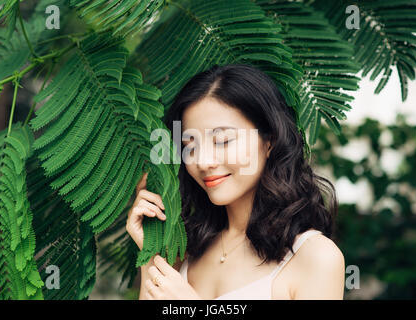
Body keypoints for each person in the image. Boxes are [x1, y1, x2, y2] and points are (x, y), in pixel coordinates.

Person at [126, 63, 345, 300]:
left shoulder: (315, 257)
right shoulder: (187, 251)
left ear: (269, 141)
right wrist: (151, 255)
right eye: (190, 146)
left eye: (222, 140)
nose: (203, 161)